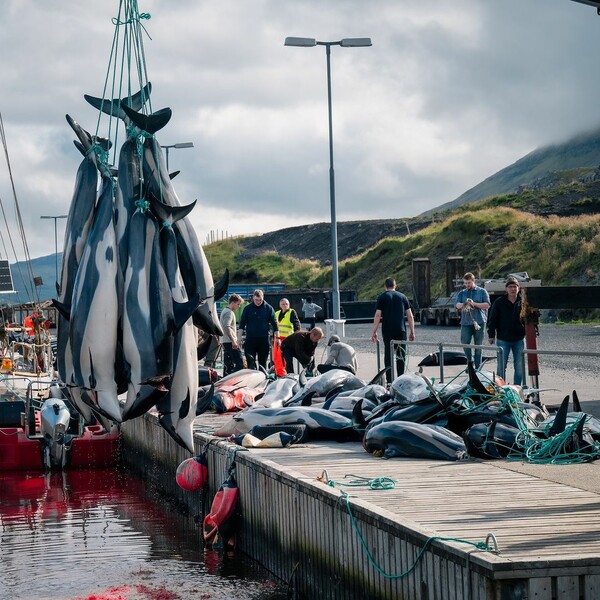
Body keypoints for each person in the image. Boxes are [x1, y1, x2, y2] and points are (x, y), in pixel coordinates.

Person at [371, 277, 416, 383]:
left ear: (385, 286)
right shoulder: (402, 297)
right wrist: (412, 331)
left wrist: (374, 331)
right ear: (395, 285)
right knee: (401, 356)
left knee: (388, 356)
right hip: (401, 329)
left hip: (388, 330)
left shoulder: (382, 297)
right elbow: (410, 316)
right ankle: (401, 380)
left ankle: (390, 381)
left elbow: (378, 315)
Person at [487, 276, 526, 385]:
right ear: (506, 289)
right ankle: (501, 390)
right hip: (503, 339)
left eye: (515, 286)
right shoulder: (499, 302)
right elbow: (492, 319)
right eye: (510, 287)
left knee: (519, 368)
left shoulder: (523, 302)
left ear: (518, 288)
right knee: (501, 367)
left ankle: (517, 389)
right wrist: (491, 335)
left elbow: (529, 320)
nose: (513, 289)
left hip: (519, 339)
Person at [455, 272, 491, 369]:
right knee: (465, 342)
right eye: (465, 283)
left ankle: (478, 367)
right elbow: (457, 305)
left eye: (469, 283)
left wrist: (474, 304)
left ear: (473, 281)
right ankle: (469, 362)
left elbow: (487, 305)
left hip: (479, 322)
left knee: (478, 346)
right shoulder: (462, 293)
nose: (467, 285)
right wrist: (465, 304)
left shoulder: (482, 291)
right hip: (466, 322)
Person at [239, 289, 279, 370]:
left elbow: (275, 324)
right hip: (250, 339)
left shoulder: (269, 308)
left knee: (262, 363)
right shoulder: (247, 309)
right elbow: (242, 324)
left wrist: (277, 338)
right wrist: (239, 338)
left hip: (263, 339)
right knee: (250, 363)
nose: (258, 302)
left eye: (260, 300)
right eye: (256, 300)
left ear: (263, 297)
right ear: (253, 298)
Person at [219, 293, 244, 376]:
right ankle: (234, 380)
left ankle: (226, 380)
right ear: (233, 303)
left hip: (225, 341)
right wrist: (233, 340)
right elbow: (227, 327)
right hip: (230, 342)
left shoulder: (225, 311)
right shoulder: (229, 313)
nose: (239, 306)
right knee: (239, 363)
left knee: (228, 364)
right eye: (238, 304)